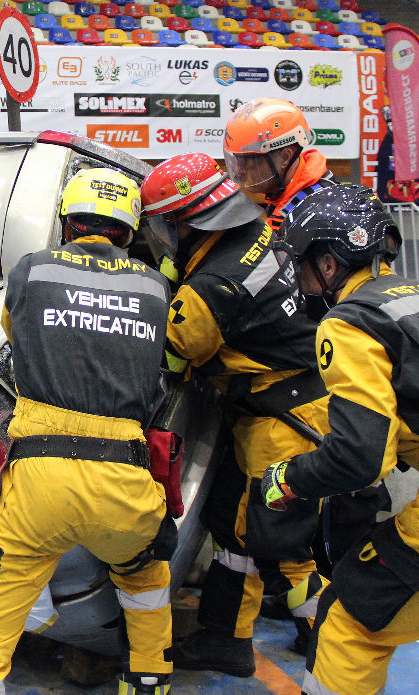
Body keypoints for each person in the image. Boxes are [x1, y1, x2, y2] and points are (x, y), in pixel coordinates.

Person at [263, 185, 419, 694]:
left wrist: (290, 477)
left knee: (347, 618)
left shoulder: (352, 321)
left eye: (303, 264)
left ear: (329, 265)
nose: (301, 281)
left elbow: (361, 458)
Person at [0, 169, 174, 695]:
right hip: (126, 482)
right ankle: (150, 678)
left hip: (39, 483)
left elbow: (14, 332)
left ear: (67, 223)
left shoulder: (32, 272)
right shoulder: (156, 286)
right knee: (143, 577)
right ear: (129, 230)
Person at [139, 154, 330, 677]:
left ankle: (336, 651)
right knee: (234, 523)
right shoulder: (259, 233)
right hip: (287, 407)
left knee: (282, 546)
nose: (162, 234)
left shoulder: (213, 287)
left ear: (191, 219)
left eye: (166, 223)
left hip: (282, 422)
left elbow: (171, 355)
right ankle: (228, 636)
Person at [223, 98, 339, 232]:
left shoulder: (309, 215)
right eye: (237, 160)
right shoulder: (290, 194)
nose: (238, 171)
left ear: (285, 157)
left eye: (248, 161)